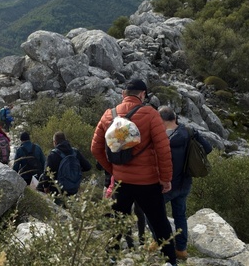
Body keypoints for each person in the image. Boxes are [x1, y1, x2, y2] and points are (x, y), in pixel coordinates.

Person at [91, 79, 177, 266]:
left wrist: (112, 169)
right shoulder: (151, 115)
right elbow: (163, 149)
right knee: (160, 223)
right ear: (142, 95)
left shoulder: (108, 115)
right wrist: (166, 179)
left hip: (121, 183)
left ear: (123, 94)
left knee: (116, 224)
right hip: (148, 183)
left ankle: (110, 259)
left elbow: (95, 148)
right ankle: (170, 262)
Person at [157, 105, 212, 260]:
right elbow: (207, 148)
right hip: (185, 183)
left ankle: (161, 244)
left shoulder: (161, 138)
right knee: (180, 215)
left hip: (166, 184)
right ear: (174, 118)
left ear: (161, 120)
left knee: (154, 214)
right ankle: (181, 249)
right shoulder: (189, 131)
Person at [40, 131, 91, 196]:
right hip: (73, 189)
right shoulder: (75, 152)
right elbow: (88, 167)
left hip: (58, 191)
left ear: (55, 142)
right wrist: (75, 171)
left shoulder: (53, 154)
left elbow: (47, 173)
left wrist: (46, 187)